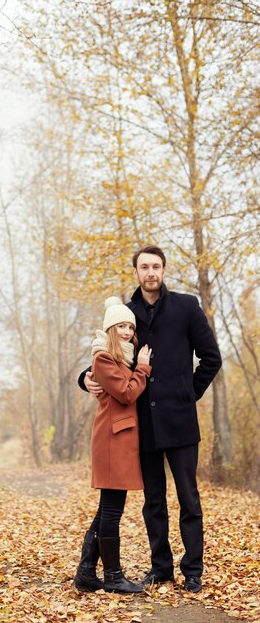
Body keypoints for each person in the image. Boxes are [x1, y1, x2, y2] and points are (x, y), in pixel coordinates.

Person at [78, 246, 222, 594]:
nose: (151, 272)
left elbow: (211, 358)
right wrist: (83, 377)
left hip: (181, 422)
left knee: (189, 498)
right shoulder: (127, 313)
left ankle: (192, 571)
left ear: (164, 269)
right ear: (136, 271)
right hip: (143, 425)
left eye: (156, 266)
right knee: (153, 500)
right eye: (144, 266)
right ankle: (161, 569)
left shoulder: (186, 306)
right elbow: (110, 355)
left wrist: (189, 393)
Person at [74, 296, 152, 594]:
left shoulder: (121, 358)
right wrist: (143, 369)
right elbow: (126, 394)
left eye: (130, 327)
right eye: (120, 326)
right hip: (111, 440)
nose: (127, 332)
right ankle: (113, 576)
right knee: (111, 512)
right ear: (109, 329)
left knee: (107, 509)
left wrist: (136, 365)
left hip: (120, 439)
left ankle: (85, 574)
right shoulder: (103, 358)